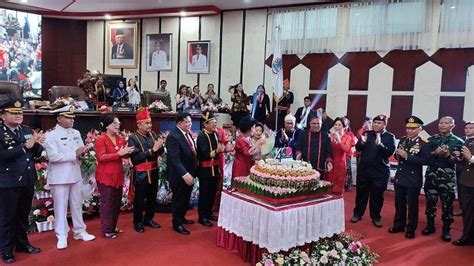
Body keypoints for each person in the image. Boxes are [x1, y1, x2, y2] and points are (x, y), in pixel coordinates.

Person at [43, 110, 96, 249]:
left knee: (77, 204)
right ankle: (61, 235)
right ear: (59, 118)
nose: (72, 120)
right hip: (59, 177)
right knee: (60, 207)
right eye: (68, 117)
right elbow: (53, 157)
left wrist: (83, 154)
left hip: (75, 174)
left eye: (73, 117)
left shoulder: (76, 133)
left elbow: (79, 151)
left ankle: (80, 231)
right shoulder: (51, 135)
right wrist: (74, 154)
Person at [0, 99, 43, 263]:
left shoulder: (26, 130)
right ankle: (6, 249)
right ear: (3, 115)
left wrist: (38, 144)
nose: (19, 115)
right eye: (14, 113)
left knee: (22, 215)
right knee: (7, 217)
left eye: (20, 113)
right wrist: (25, 146)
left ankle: (22, 244)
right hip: (8, 181)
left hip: (26, 179)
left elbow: (34, 153)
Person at [422, 116, 464, 242]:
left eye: (446, 123)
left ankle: (446, 230)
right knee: (430, 203)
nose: (443, 125)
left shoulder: (458, 141)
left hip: (447, 180)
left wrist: (448, 155)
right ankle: (430, 226)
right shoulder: (431, 139)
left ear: (453, 126)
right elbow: (424, 157)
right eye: (441, 123)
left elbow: (459, 161)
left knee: (447, 205)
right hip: (431, 177)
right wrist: (435, 153)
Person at [388, 116, 431, 239]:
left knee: (412, 205)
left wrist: (407, 156)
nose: (409, 131)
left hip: (413, 178)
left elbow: (426, 160)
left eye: (413, 128)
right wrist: (398, 155)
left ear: (419, 128)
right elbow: (397, 157)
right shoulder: (403, 140)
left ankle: (411, 228)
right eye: (408, 128)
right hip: (400, 176)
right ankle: (399, 225)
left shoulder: (424, 142)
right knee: (399, 203)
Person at [351, 114, 396, 228]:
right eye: (375, 122)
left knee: (377, 196)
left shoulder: (390, 137)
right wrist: (362, 142)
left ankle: (376, 217)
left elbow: (389, 153)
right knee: (361, 194)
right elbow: (358, 148)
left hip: (380, 171)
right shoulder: (367, 134)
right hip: (365, 170)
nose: (376, 124)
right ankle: (357, 214)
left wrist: (380, 144)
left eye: (379, 123)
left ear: (385, 125)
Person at [95, 114, 134, 239]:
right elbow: (101, 158)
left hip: (118, 174)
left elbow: (124, 155)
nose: (118, 126)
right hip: (105, 176)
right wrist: (119, 153)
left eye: (118, 123)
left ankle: (112, 226)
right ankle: (107, 229)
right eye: (115, 124)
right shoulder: (101, 139)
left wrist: (128, 152)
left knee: (116, 203)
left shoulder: (120, 139)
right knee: (107, 203)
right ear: (107, 126)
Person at [128, 108, 165, 233]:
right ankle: (138, 222)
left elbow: (159, 152)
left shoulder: (153, 135)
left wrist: (160, 147)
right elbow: (136, 158)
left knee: (152, 197)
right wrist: (152, 150)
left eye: (150, 122)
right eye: (146, 123)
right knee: (139, 199)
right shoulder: (132, 138)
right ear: (139, 124)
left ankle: (149, 219)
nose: (150, 125)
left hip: (154, 170)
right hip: (141, 173)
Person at [166, 113, 197, 235]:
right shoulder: (173, 136)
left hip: (190, 172)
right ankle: (177, 223)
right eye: (186, 122)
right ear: (179, 123)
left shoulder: (186, 133)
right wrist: (185, 174)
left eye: (190, 122)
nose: (190, 124)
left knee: (185, 198)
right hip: (179, 175)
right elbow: (175, 159)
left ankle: (182, 217)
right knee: (179, 199)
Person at [196, 112, 226, 227]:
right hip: (205, 170)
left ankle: (209, 213)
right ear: (205, 124)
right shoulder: (201, 136)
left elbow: (218, 149)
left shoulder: (215, 134)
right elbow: (204, 154)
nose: (215, 124)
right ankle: (202, 217)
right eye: (212, 122)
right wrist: (218, 151)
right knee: (204, 193)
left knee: (212, 193)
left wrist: (224, 150)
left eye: (215, 122)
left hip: (215, 168)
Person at [452, 121, 474, 246]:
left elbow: (470, 158)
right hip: (465, 181)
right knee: (467, 212)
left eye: (471, 128)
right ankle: (467, 237)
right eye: (466, 127)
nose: (468, 129)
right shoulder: (465, 141)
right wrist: (459, 157)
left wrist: (470, 157)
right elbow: (463, 162)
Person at [326, 117, 353, 196]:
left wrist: (339, 140)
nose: (337, 127)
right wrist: (331, 141)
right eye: (335, 124)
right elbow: (326, 149)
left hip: (340, 164)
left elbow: (347, 150)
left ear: (345, 127)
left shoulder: (348, 137)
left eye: (339, 125)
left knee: (338, 188)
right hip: (330, 163)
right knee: (328, 185)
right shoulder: (330, 135)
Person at [232, 116, 258, 181]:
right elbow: (248, 153)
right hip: (241, 167)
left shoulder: (248, 138)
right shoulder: (240, 139)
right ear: (248, 129)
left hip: (248, 165)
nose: (254, 130)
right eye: (253, 128)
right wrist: (259, 143)